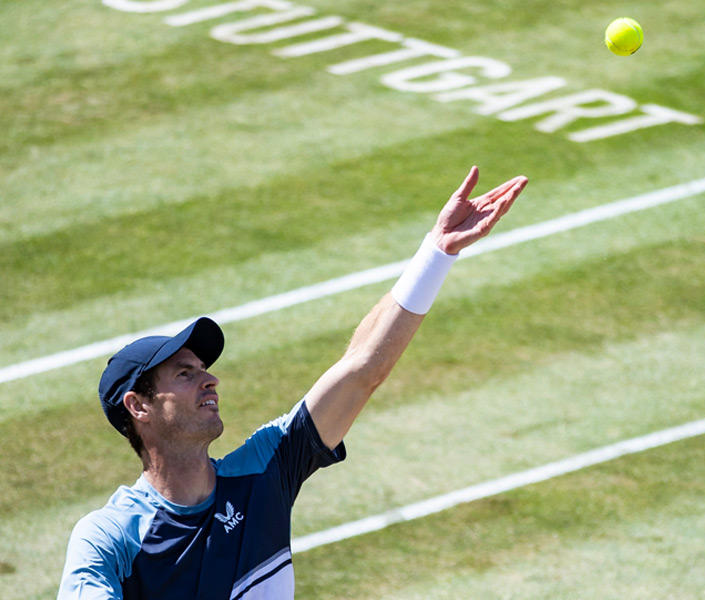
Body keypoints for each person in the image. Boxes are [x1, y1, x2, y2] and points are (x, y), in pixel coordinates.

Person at [57, 166, 528, 599]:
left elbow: (363, 369)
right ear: (138, 406)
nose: (211, 380)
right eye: (185, 374)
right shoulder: (110, 537)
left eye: (203, 369)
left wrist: (436, 253)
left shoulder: (265, 470)